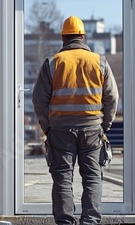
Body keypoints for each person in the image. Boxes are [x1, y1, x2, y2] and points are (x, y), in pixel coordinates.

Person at [32, 15, 119, 225]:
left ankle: (64, 222)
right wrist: (103, 126)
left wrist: (48, 129)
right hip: (92, 130)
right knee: (92, 178)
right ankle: (90, 221)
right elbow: (112, 98)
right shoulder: (100, 62)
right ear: (83, 36)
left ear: (64, 37)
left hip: (60, 130)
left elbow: (39, 100)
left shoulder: (52, 63)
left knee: (62, 177)